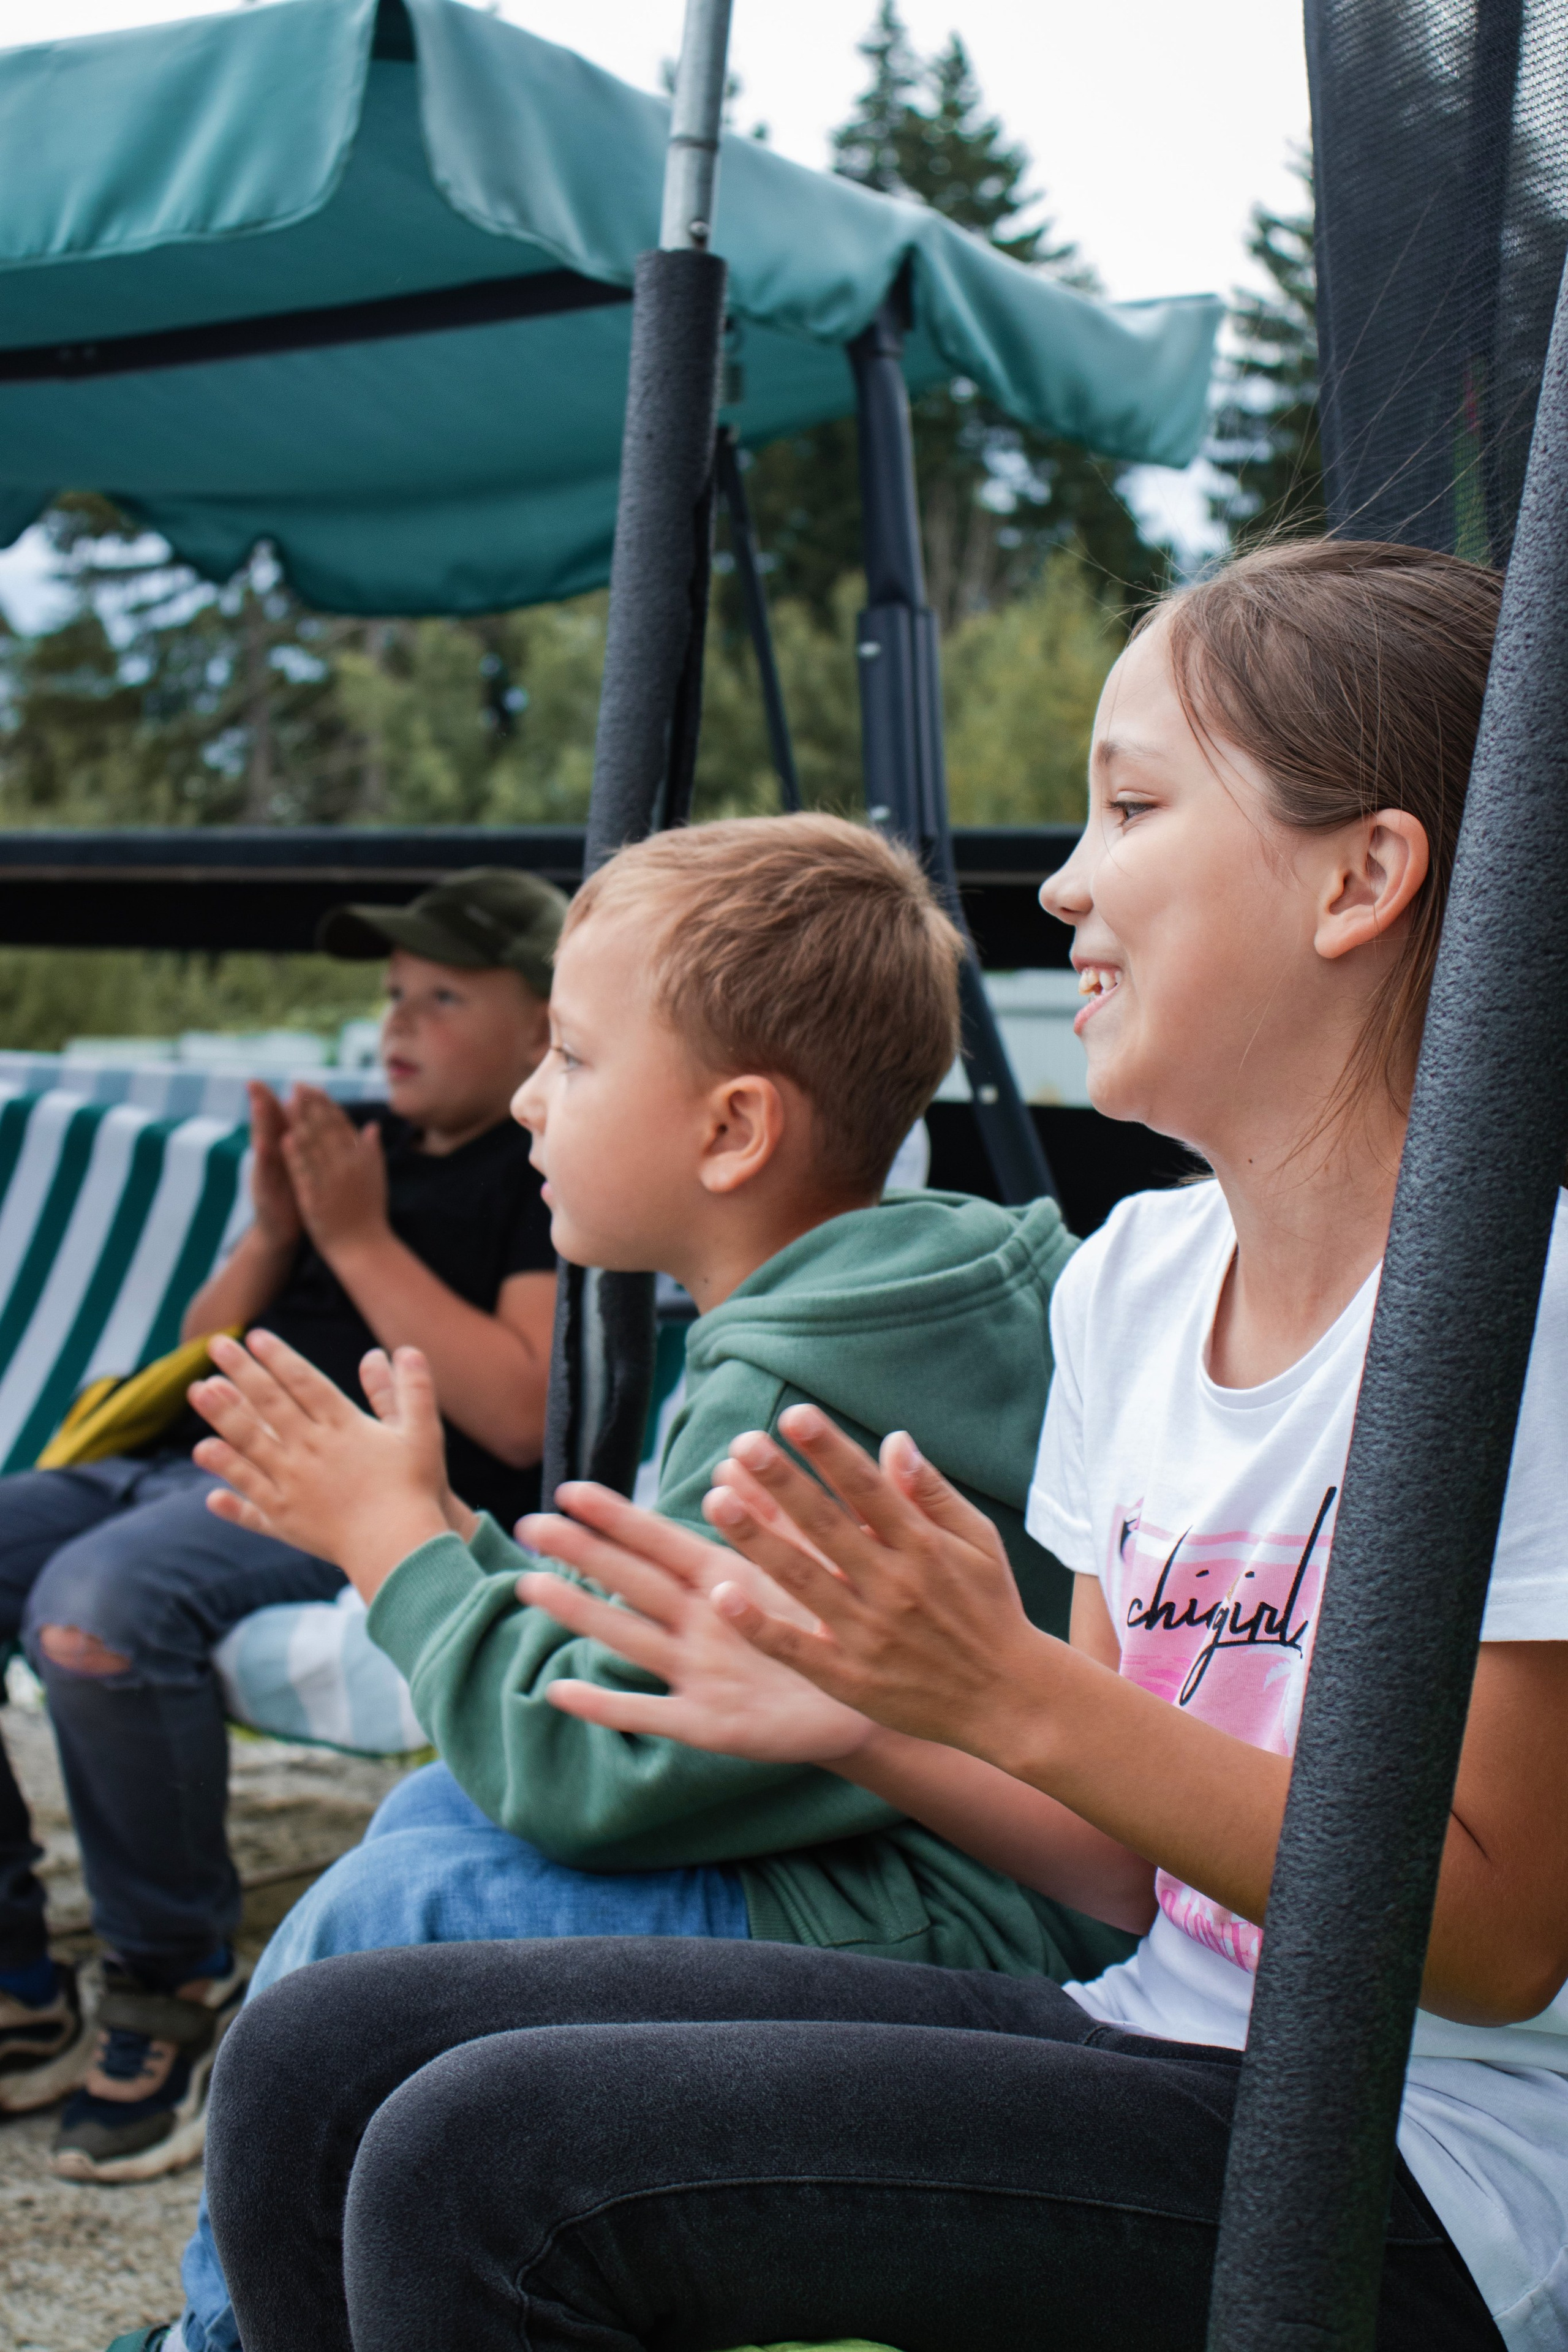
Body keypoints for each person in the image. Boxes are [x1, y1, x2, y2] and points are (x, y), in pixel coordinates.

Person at [200, 542, 1565, 2352]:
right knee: (321, 2052)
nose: (1065, 881)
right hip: (1169, 2025)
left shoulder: (1517, 1303)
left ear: (1362, 878)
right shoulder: (1136, 1287)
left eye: (1133, 805)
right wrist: (860, 1712)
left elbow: (1484, 1937)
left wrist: (997, 1691)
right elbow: (1113, 1870)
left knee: (485, 2163)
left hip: (1431, 2163)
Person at [150, 812, 1129, 2352]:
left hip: (967, 1921)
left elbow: (590, 1768)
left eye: (576, 1058)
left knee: (397, 1907)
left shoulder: (797, 1411)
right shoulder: (894, 1298)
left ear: (730, 1131)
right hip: (931, 1854)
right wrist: (443, 1536)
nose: (534, 1098)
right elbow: (642, 1690)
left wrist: (393, 1543)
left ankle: (231, 2338)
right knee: (422, 1819)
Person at [0, 867, 564, 2181]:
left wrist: (358, 1239)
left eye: (441, 995)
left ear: (544, 1030)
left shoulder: (539, 1173)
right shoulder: (351, 1144)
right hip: (183, 1457)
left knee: (96, 1613)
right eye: (388, 994)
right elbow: (205, 1354)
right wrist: (276, 1225)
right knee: (79, 1562)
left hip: (358, 1485)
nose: (396, 1024)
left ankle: (169, 1986)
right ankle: (22, 1985)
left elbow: (519, 1414)